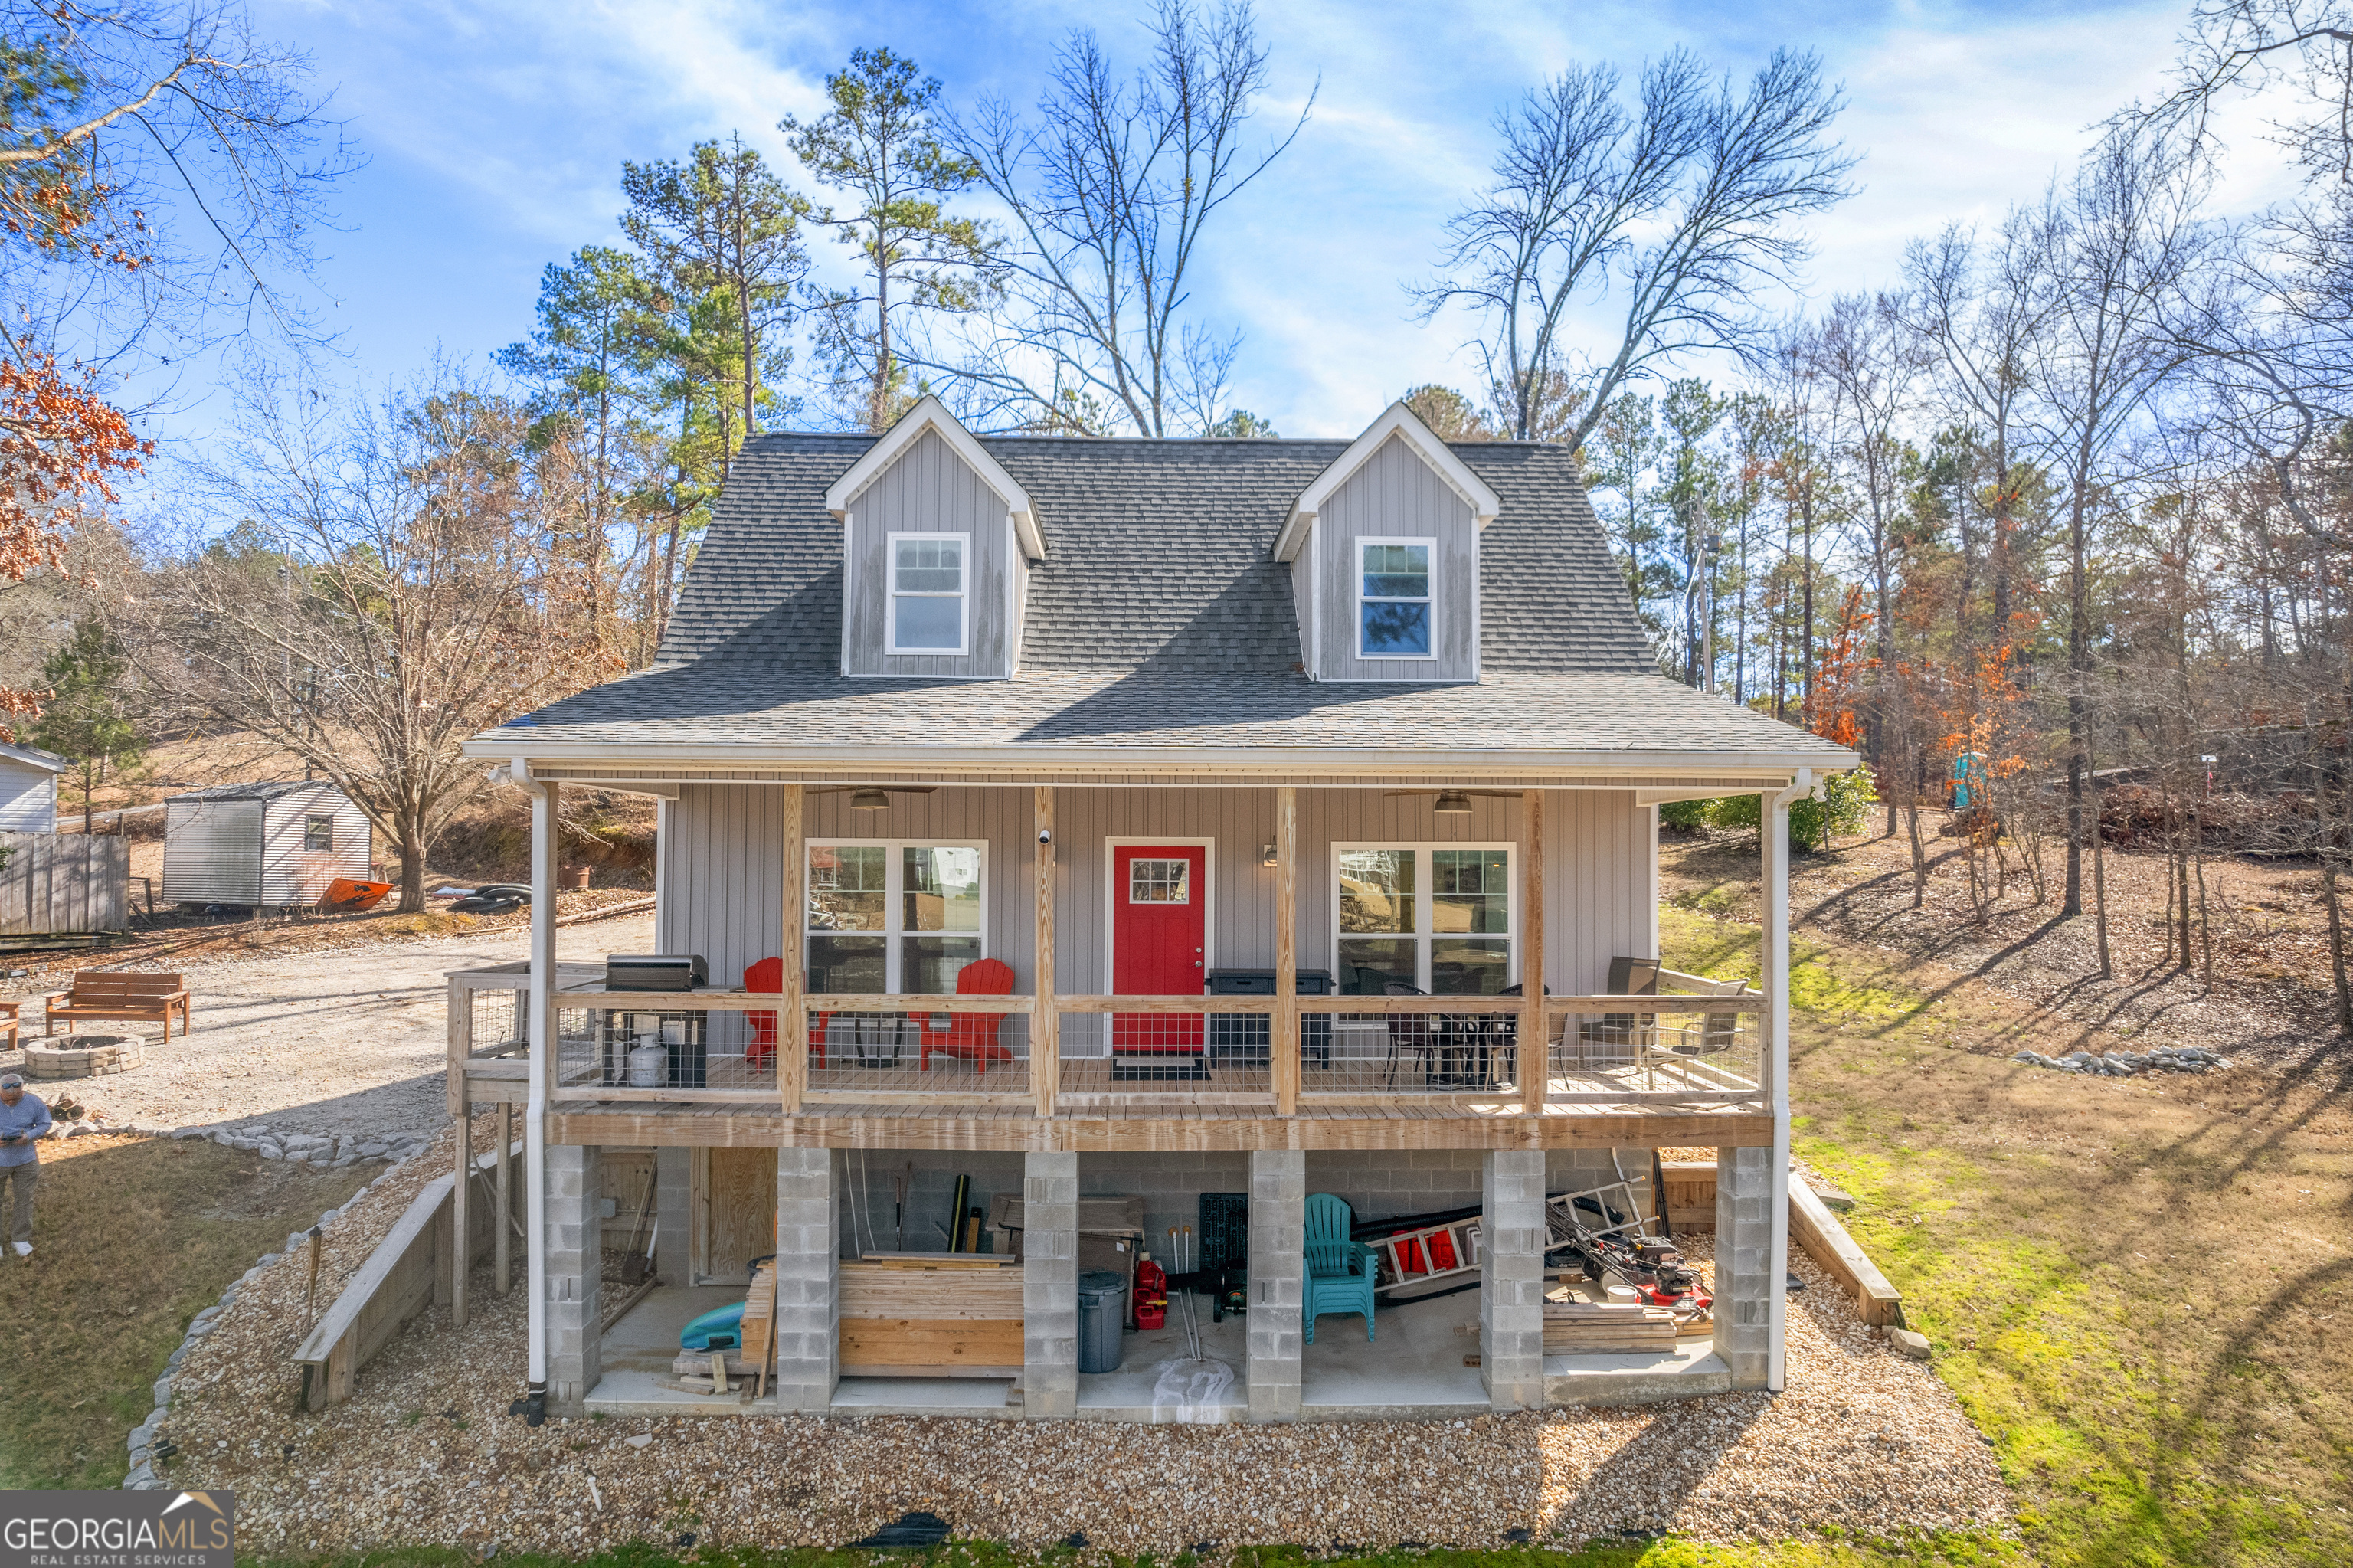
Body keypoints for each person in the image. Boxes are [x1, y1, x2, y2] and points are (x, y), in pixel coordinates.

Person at [0, 1071, 51, 1258]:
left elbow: (45, 1123)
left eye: (16, 1099)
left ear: (22, 1091)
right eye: (6, 1100)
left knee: (24, 1200)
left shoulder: (33, 1102)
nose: (11, 1102)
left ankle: (20, 1239)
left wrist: (28, 1136)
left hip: (26, 1160)